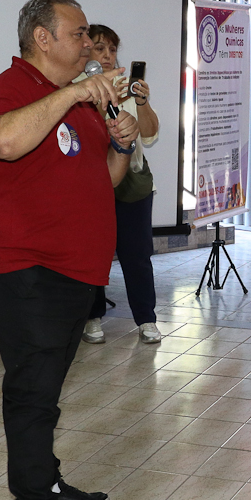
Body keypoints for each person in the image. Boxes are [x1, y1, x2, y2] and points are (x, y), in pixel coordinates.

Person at [0, 0, 137, 500]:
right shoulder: (13, 88)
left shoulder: (79, 102)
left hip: (74, 273)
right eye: (79, 33)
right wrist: (75, 93)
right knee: (33, 397)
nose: (89, 43)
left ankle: (50, 484)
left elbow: (106, 178)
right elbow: (5, 141)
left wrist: (123, 142)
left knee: (46, 391)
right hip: (28, 273)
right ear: (42, 39)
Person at [81, 24, 163, 346]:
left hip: (133, 186)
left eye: (112, 50)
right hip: (94, 184)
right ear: (86, 52)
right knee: (94, 253)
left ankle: (146, 320)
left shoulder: (128, 90)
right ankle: (92, 317)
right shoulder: (78, 89)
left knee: (137, 256)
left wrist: (141, 103)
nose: (107, 55)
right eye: (100, 48)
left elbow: (151, 135)